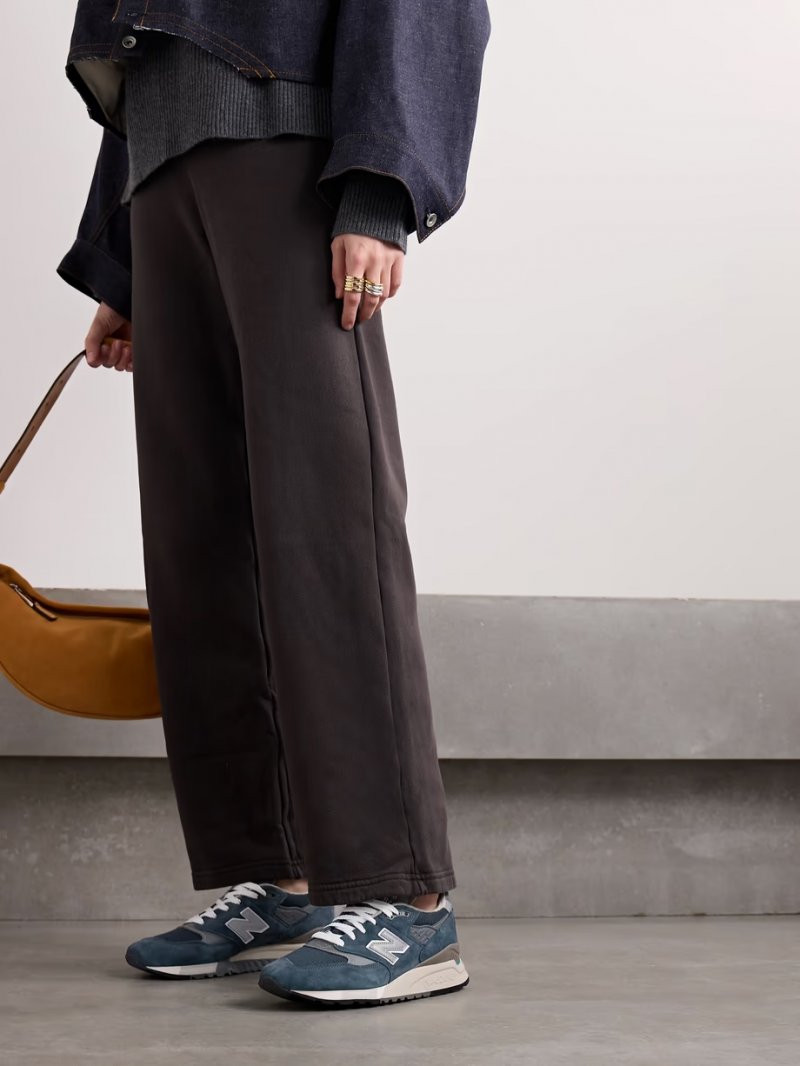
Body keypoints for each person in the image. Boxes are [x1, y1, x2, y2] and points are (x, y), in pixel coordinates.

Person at [58, 1, 490, 1008]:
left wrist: (378, 189)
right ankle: (281, 877)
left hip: (291, 153)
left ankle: (407, 898)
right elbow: (149, 43)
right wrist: (123, 259)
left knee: (327, 529)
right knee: (201, 543)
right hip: (164, 176)